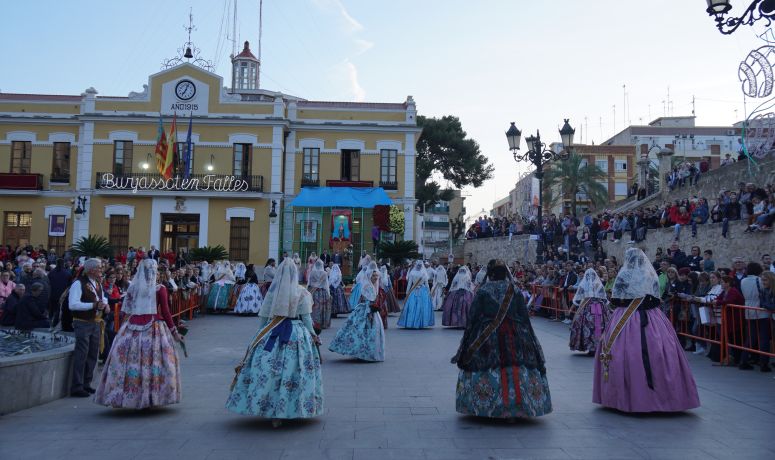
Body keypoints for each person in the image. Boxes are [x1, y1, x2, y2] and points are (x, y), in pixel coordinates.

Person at [593, 248, 700, 413]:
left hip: (626, 317)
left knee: (625, 353)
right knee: (661, 351)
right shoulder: (651, 275)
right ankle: (665, 398)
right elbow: (655, 298)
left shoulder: (623, 275)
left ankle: (625, 397)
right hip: (652, 318)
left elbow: (615, 299)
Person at [226, 258, 323, 427]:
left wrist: (260, 335)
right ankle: (290, 408)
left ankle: (269, 409)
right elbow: (306, 318)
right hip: (296, 334)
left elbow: (264, 318)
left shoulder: (273, 292)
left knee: (269, 372)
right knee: (294, 370)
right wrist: (314, 335)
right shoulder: (302, 293)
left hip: (272, 333)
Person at [451, 262, 552, 419]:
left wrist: (469, 339)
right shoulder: (515, 289)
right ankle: (519, 406)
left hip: (486, 334)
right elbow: (523, 316)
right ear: (505, 273)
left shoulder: (483, 290)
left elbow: (473, 316)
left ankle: (484, 405)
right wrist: (529, 337)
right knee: (516, 365)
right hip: (515, 333)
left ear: (490, 274)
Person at [94, 259, 182, 409]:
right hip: (154, 328)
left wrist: (121, 330)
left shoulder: (133, 288)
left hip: (132, 327)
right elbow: (166, 312)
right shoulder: (159, 289)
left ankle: (128, 396)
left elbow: (124, 311)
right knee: (154, 362)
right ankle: (152, 395)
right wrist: (174, 331)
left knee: (128, 362)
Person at [68, 258, 110, 398]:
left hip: (96, 322)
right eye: (99, 267)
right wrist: (93, 305)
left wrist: (105, 304)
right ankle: (77, 386)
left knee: (93, 354)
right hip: (83, 322)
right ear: (91, 270)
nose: (101, 270)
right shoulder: (78, 283)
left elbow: (102, 297)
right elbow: (73, 305)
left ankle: (87, 383)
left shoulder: (97, 283)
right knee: (82, 354)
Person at [329, 262, 386, 362]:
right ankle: (362, 352)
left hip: (371, 310)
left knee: (372, 331)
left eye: (377, 275)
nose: (376, 278)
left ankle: (370, 352)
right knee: (361, 330)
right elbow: (368, 300)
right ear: (369, 276)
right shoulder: (367, 286)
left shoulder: (372, 285)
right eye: (373, 276)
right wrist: (371, 311)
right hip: (366, 311)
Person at [569, 269, 612, 356]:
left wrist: (573, 307)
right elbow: (604, 299)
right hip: (600, 307)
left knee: (587, 326)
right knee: (599, 325)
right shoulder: (599, 284)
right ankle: (599, 346)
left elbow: (577, 298)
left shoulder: (583, 284)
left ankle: (591, 347)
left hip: (587, 307)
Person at [397, 261, 435, 329]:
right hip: (420, 290)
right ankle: (419, 322)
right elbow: (426, 284)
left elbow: (425, 284)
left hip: (415, 290)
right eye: (418, 265)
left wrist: (407, 292)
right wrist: (429, 292)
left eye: (420, 265)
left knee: (415, 306)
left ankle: (414, 322)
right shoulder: (423, 273)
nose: (419, 266)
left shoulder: (414, 273)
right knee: (418, 306)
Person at [308, 259, 332, 333]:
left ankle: (313, 323)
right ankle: (322, 323)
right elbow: (326, 284)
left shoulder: (311, 273)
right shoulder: (324, 273)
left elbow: (309, 283)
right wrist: (328, 293)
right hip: (322, 293)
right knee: (322, 308)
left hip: (314, 292)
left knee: (314, 308)